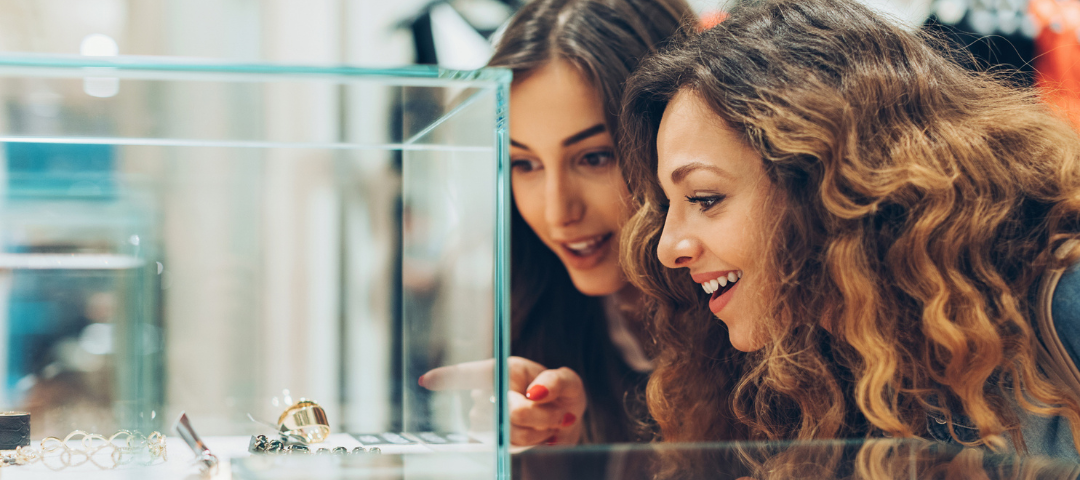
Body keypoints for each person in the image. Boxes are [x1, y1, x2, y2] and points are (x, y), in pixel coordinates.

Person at [618, 0, 1080, 457]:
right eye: (667, 206)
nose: (667, 248)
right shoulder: (827, 356)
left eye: (705, 199)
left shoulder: (1062, 301)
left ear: (824, 178)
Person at [420, 0, 695, 445]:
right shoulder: (532, 308)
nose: (557, 212)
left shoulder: (753, 319)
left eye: (594, 157)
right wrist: (543, 450)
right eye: (524, 164)